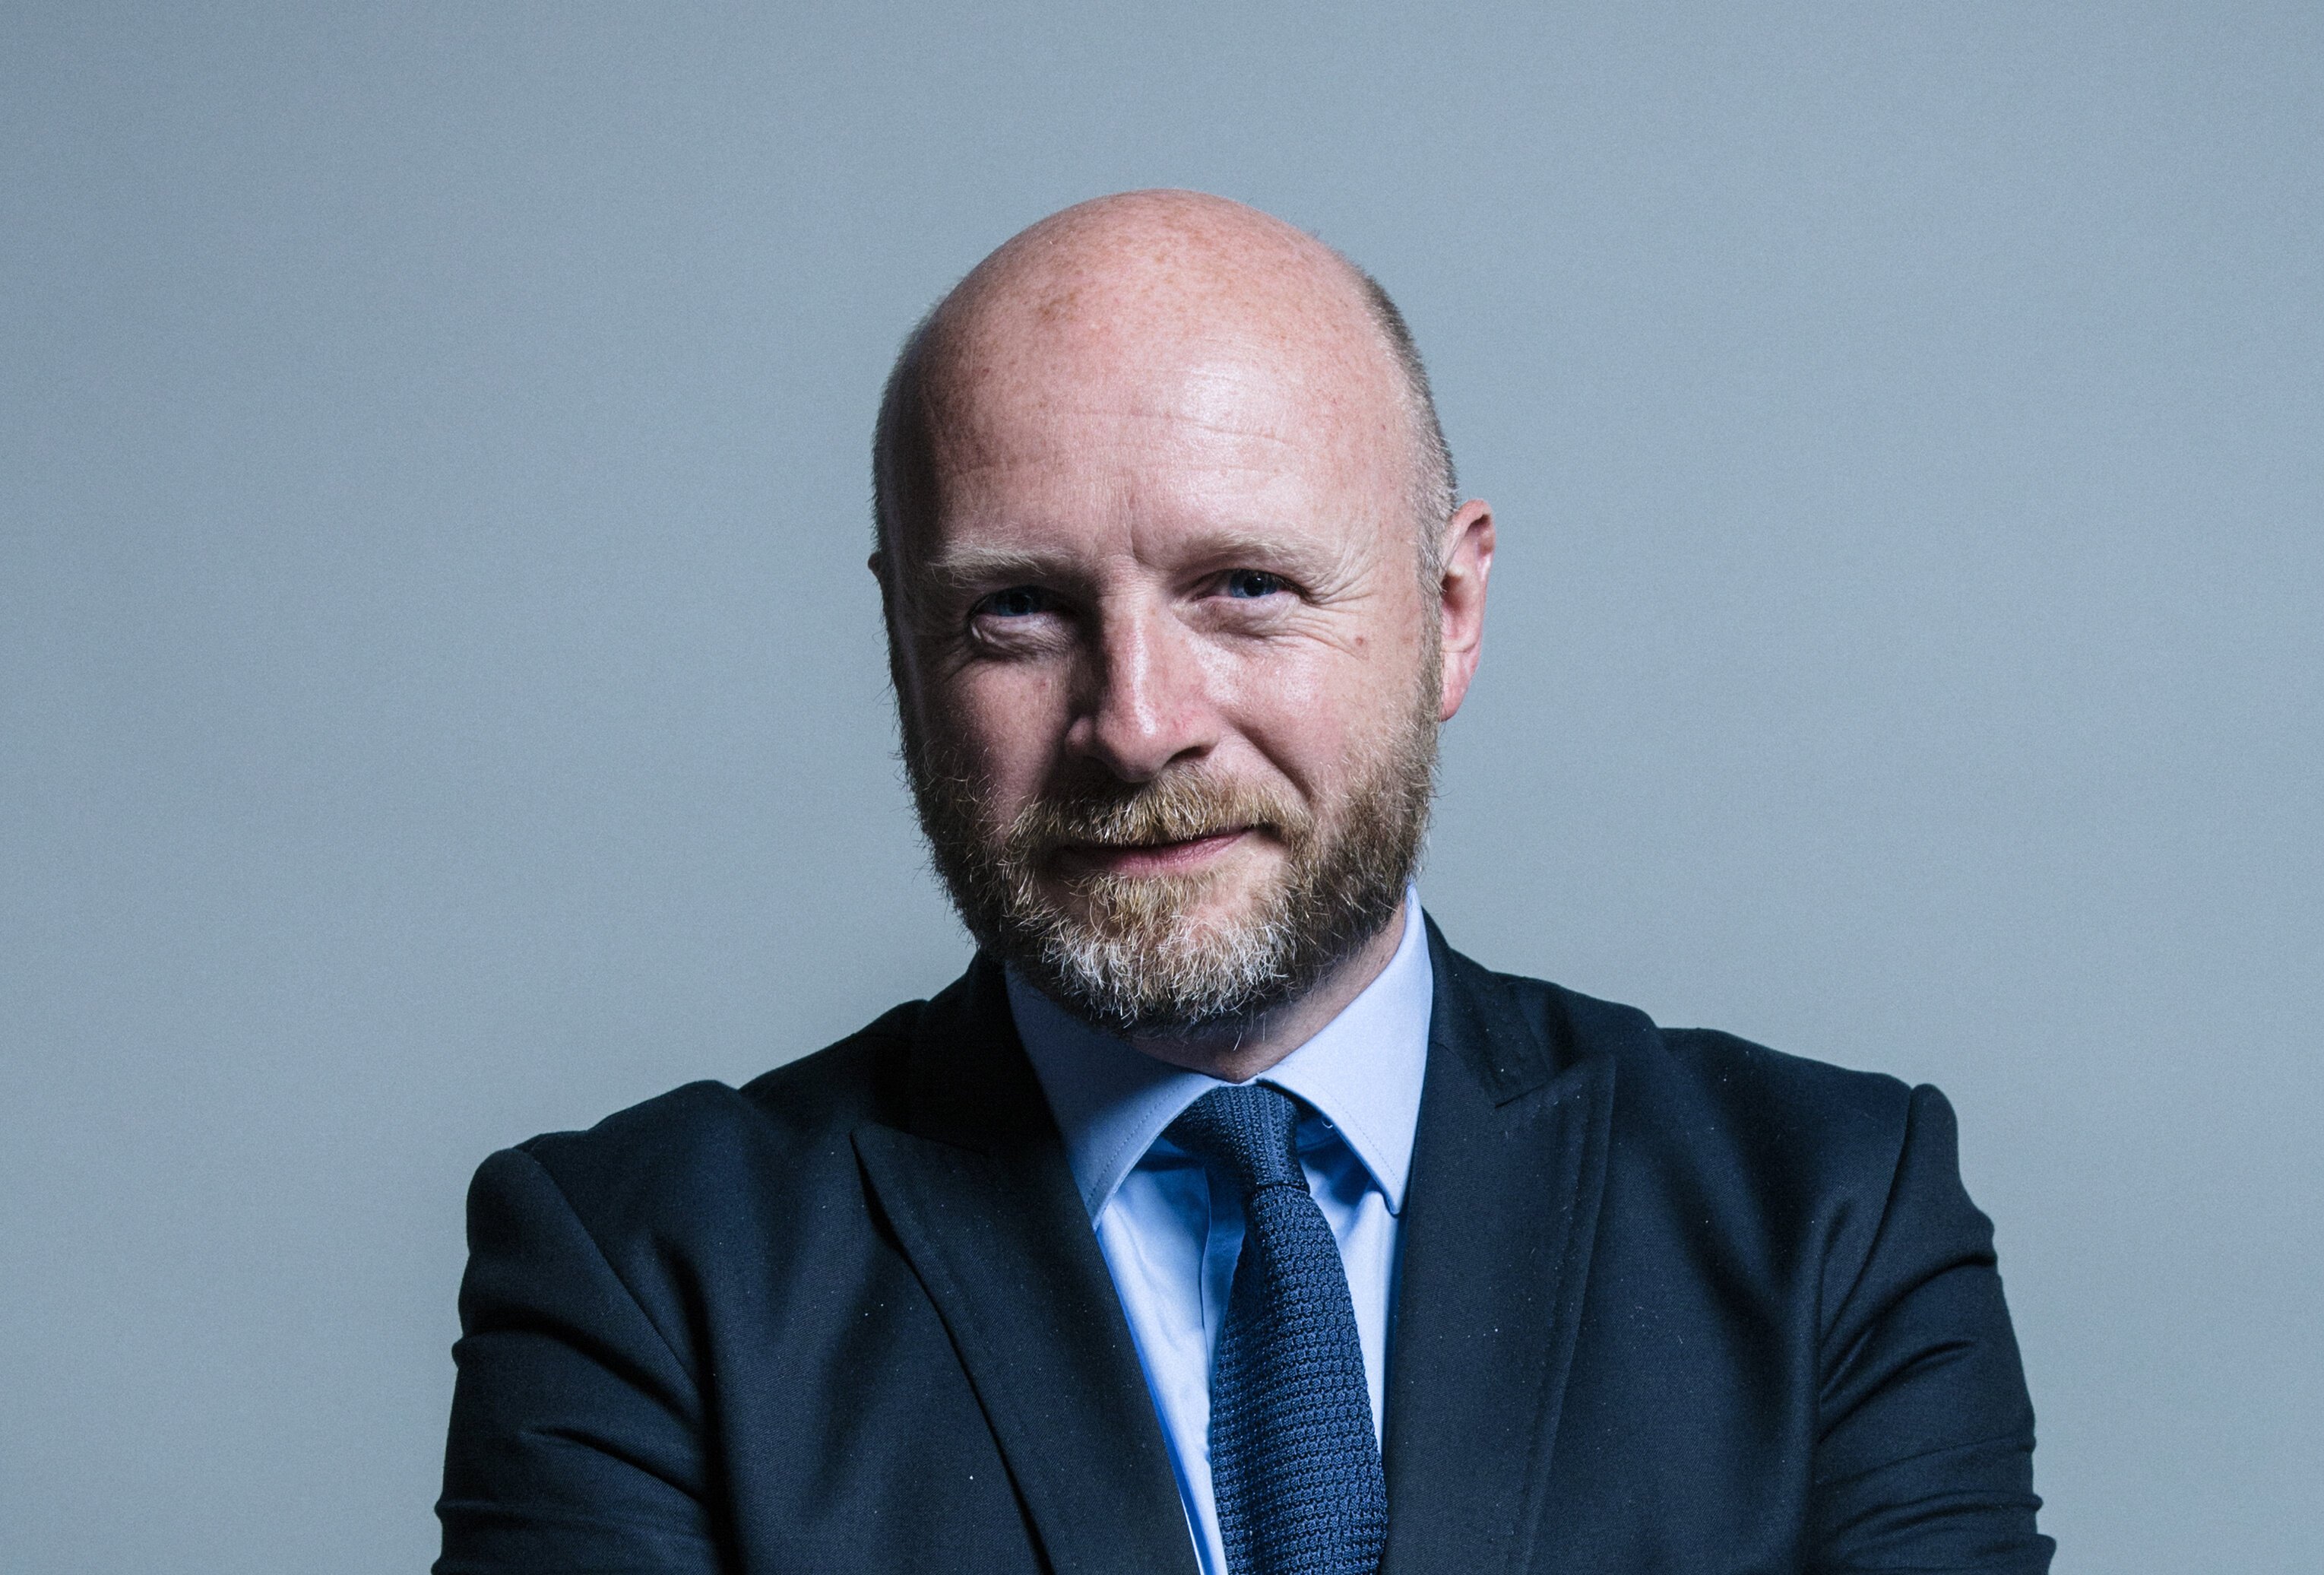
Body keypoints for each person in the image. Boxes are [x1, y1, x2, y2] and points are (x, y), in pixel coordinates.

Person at [434, 190, 2053, 1575]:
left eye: (1247, 587)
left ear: (1449, 615)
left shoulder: (1832, 1220)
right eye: (1015, 611)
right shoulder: (641, 1275)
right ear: (903, 648)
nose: (1139, 724)